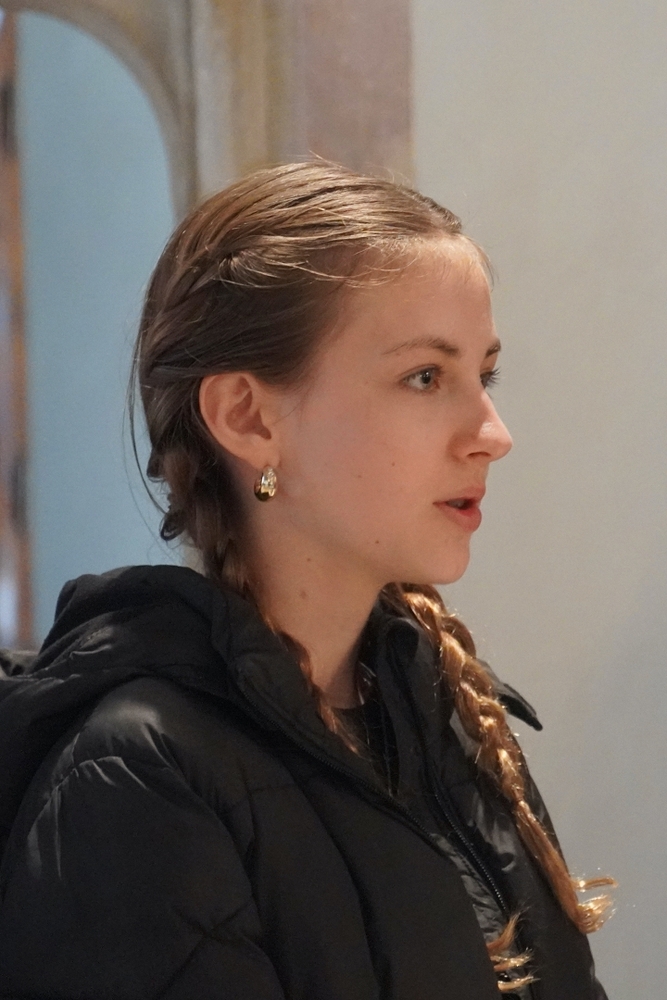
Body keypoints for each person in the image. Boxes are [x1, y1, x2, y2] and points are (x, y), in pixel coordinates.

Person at [0, 162, 613, 999]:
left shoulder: (448, 716)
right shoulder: (138, 774)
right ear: (247, 417)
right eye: (425, 377)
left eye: (485, 374)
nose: (491, 432)